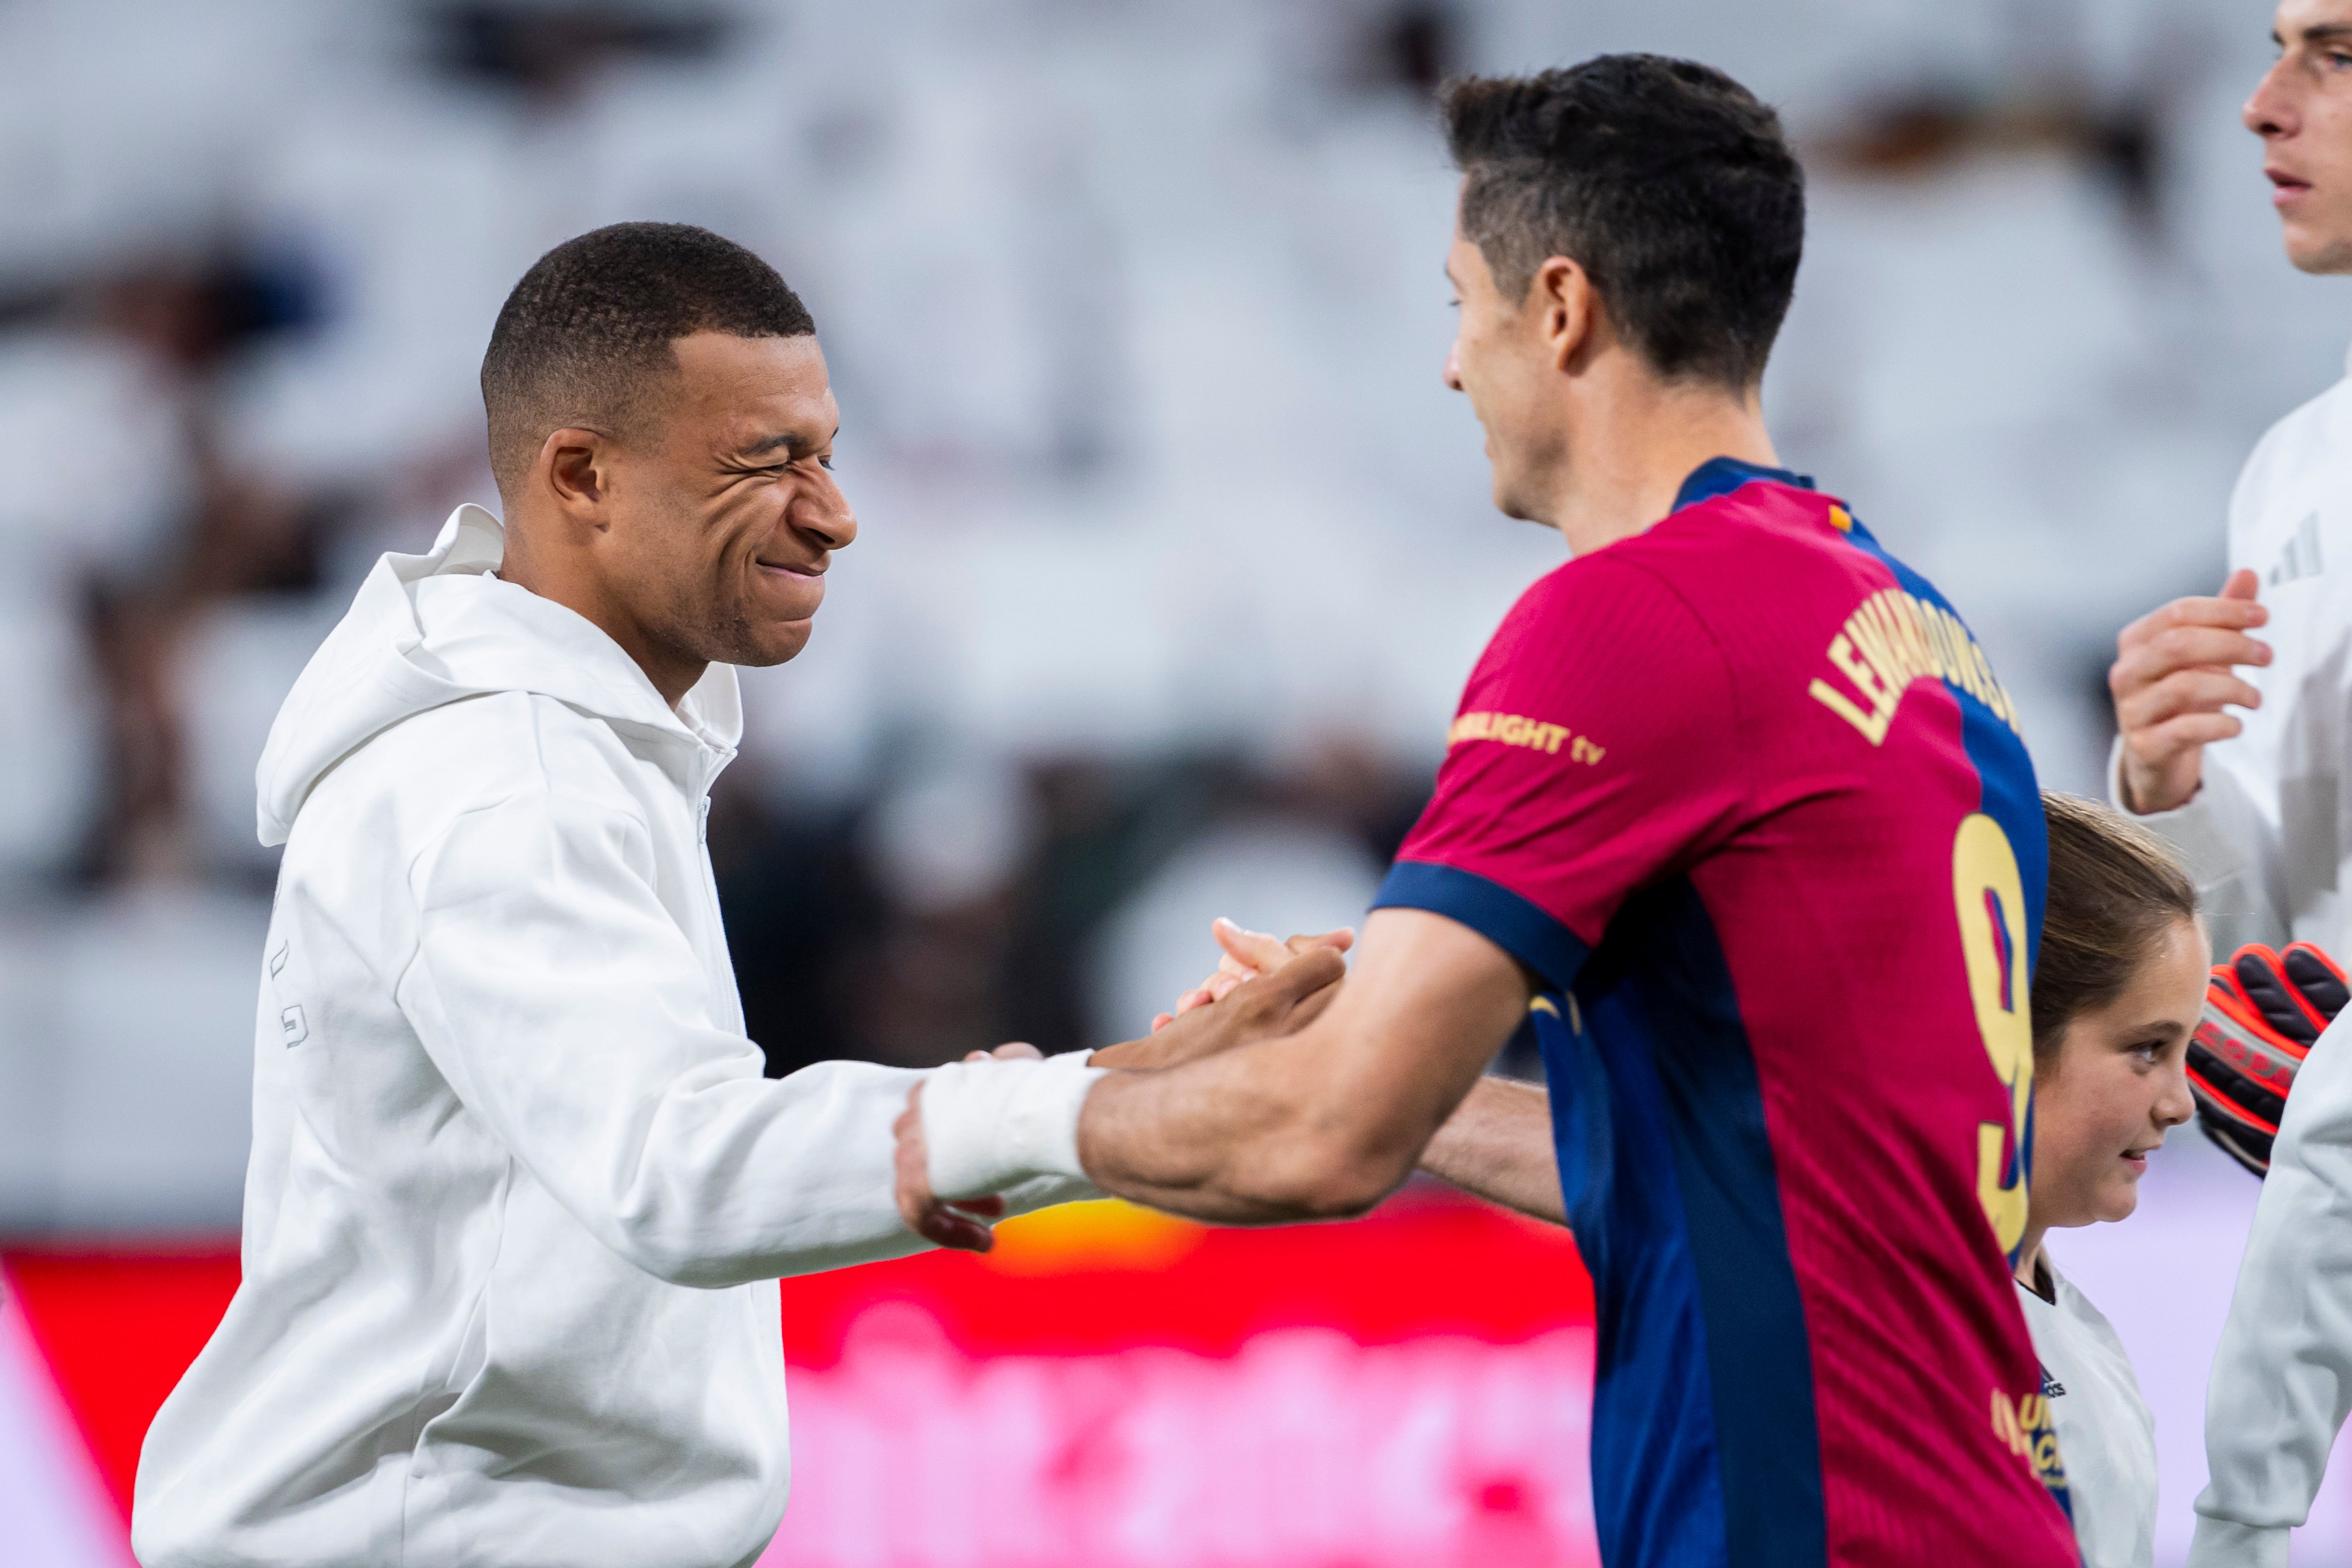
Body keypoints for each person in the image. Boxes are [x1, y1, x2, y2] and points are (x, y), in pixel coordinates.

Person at [894, 56, 2078, 1567]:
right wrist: (1414, 1063)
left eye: (1462, 301)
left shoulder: (1635, 618)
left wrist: (994, 1121)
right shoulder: (1920, 625)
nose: (1453, 365)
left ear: (1563, 309)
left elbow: (1326, 1143)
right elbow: (1761, 1164)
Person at [128, 222, 1334, 1568]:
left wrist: (1073, 1100)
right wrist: (1100, 1105)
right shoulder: (502, 778)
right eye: (764, 463)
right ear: (580, 475)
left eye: (825, 451)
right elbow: (679, 1167)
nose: (834, 510)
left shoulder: (562, 741)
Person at [1339, 790, 2200, 1568]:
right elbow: (1649, 1164)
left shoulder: (2071, 1323)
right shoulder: (1866, 1276)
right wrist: (1352, 1070)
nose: (2182, 1102)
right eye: (2146, 1050)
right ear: (2001, 1036)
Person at [2103, 2, 2352, 1559]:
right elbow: (2258, 946)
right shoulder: (2298, 471)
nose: (2263, 106)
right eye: (2277, 46)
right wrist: (2162, 779)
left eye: (2339, 54)